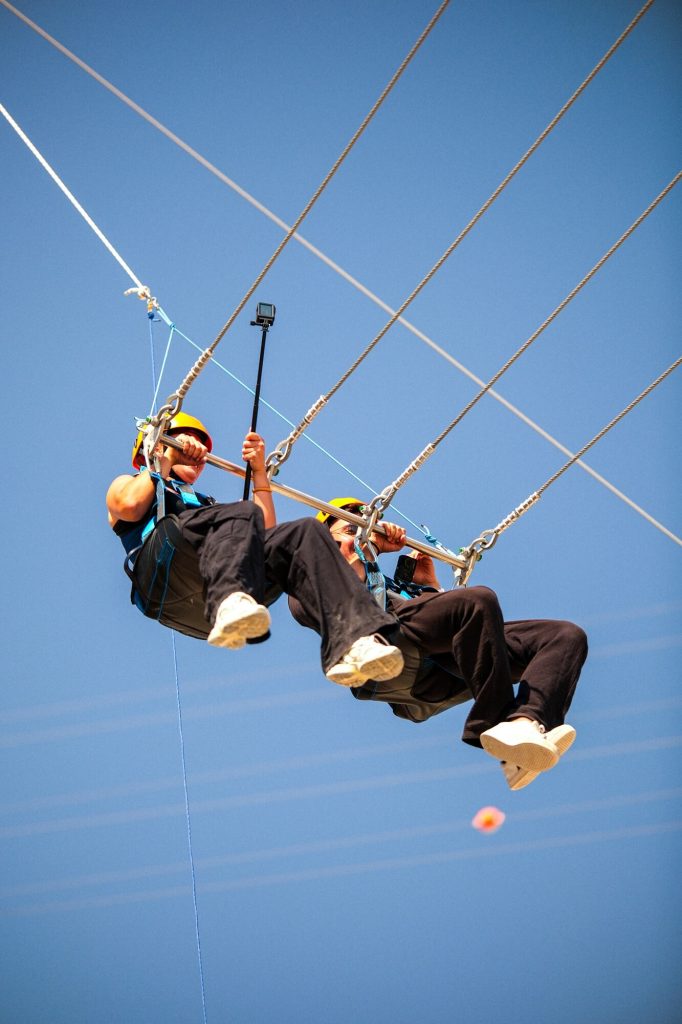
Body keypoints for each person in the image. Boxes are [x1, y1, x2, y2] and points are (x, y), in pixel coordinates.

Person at [289, 498, 588, 790]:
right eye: (351, 529)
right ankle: (497, 723)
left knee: (565, 636)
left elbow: (456, 626)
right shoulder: (312, 583)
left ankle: (524, 727)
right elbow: (340, 584)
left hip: (438, 668)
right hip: (388, 655)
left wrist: (429, 588)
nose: (362, 536)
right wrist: (370, 546)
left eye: (364, 529)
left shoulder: (389, 585)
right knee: (478, 599)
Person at [106, 419, 405, 686]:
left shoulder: (207, 504)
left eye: (198, 447)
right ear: (157, 444)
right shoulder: (130, 482)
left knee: (306, 531)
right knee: (244, 512)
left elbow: (264, 536)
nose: (196, 452)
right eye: (186, 441)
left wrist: (259, 474)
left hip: (210, 586)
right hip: (165, 567)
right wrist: (166, 458)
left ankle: (352, 641)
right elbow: (129, 506)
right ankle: (228, 600)